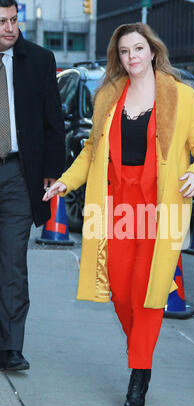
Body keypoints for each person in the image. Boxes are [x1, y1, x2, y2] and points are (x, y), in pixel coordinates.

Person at [44, 22, 194, 406]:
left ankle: (139, 373)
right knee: (121, 291)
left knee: (150, 291)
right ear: (117, 56)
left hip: (161, 208)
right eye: (124, 51)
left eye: (138, 49)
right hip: (115, 207)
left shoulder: (180, 95)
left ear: (152, 51)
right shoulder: (107, 94)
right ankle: (141, 349)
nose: (132, 57)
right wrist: (65, 183)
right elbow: (91, 151)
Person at [0, 0, 66, 371]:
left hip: (17, 173)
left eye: (13, 20)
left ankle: (10, 347)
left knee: (12, 261)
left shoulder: (40, 60)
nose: (9, 28)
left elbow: (52, 119)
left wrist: (54, 169)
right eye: (2, 22)